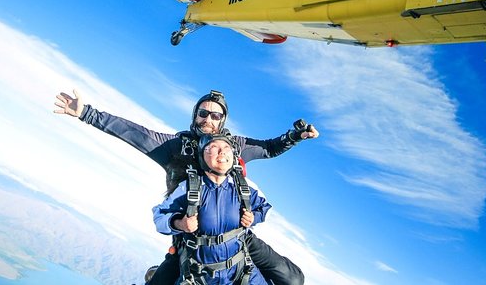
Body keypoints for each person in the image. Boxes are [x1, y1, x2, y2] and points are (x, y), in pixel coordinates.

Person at [54, 89, 319, 285]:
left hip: (237, 236)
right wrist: (86, 113)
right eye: (203, 113)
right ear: (195, 116)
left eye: (216, 115)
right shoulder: (175, 147)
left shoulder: (234, 146)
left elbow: (269, 148)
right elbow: (132, 132)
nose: (208, 119)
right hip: (189, 240)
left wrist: (295, 136)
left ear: (222, 121)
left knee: (293, 281)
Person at [153, 133, 270, 284]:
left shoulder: (244, 186)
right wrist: (179, 223)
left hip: (242, 272)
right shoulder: (189, 188)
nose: (222, 152)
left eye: (227, 148)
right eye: (213, 147)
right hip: (199, 277)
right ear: (202, 156)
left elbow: (265, 207)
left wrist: (254, 217)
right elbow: (159, 215)